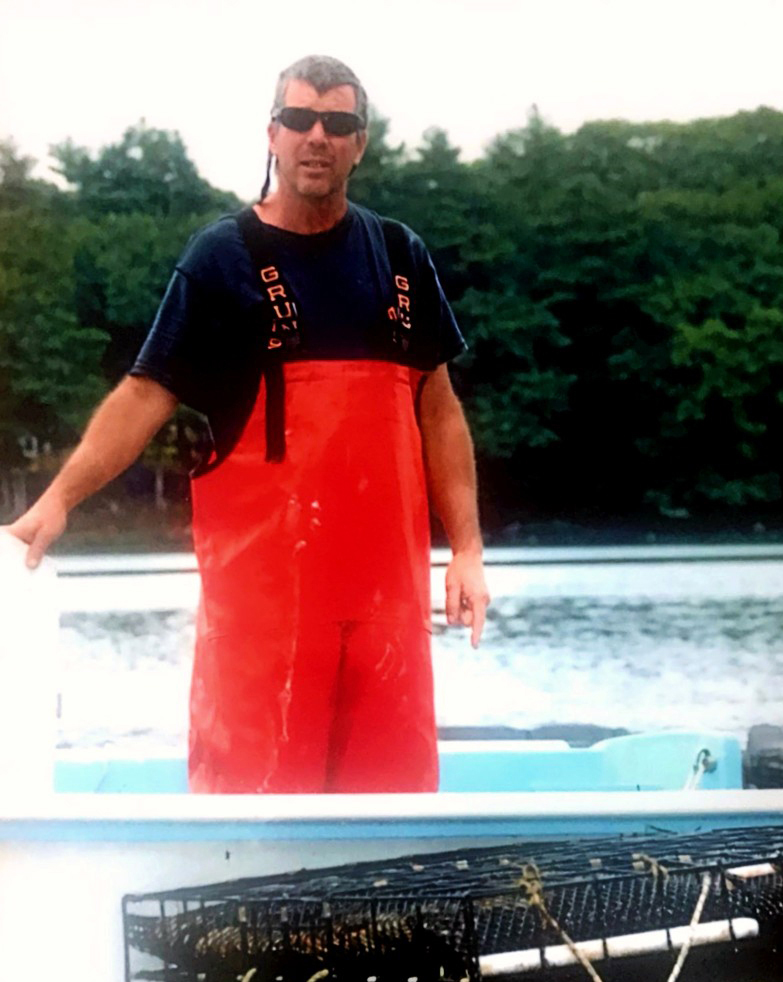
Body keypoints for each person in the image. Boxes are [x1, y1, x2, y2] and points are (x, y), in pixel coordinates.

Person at [6, 55, 490, 793]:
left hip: (385, 613)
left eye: (338, 123)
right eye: (299, 119)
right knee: (255, 796)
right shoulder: (222, 257)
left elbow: (439, 407)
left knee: (389, 802)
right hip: (264, 624)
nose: (316, 136)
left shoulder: (400, 255)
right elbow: (143, 395)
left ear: (361, 142)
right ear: (272, 133)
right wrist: (59, 498)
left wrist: (466, 549)